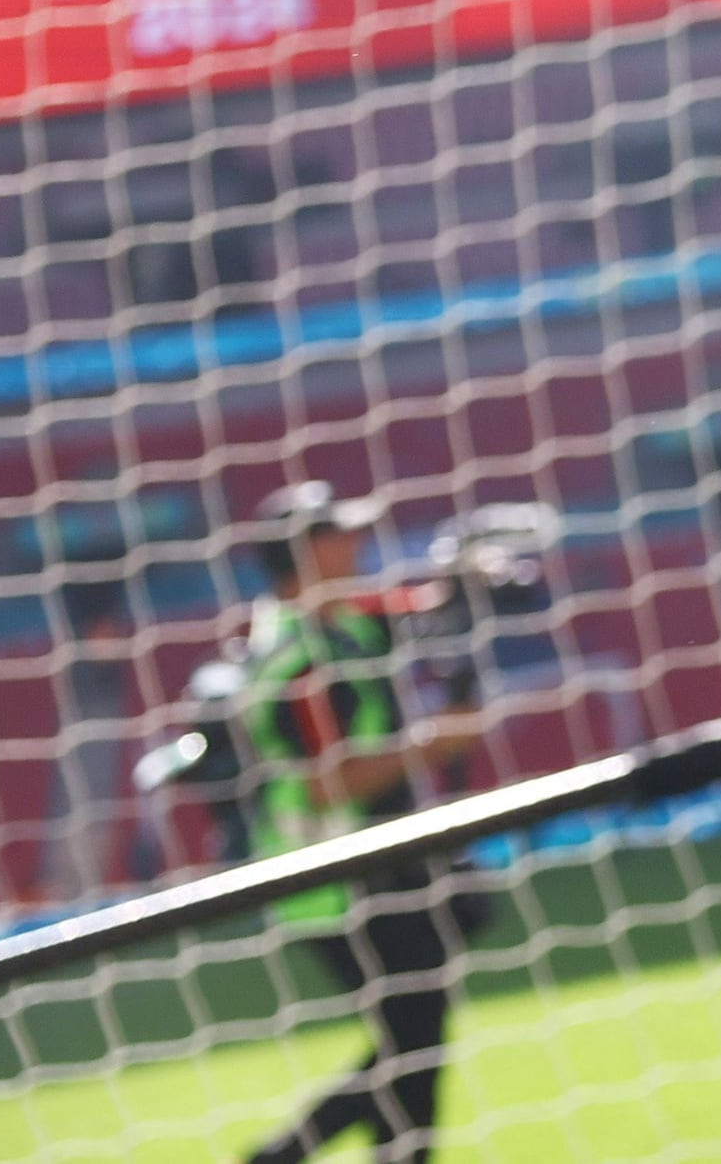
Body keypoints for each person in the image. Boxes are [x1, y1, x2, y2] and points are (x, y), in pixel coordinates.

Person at [235, 485, 475, 1164]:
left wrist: (461, 585)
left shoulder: (342, 623)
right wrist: (439, 742)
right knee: (415, 1032)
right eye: (342, 534)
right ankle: (280, 1155)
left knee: (414, 1034)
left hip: (383, 859)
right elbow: (325, 783)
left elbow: (411, 611)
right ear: (308, 552)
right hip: (333, 879)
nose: (360, 543)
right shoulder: (295, 658)